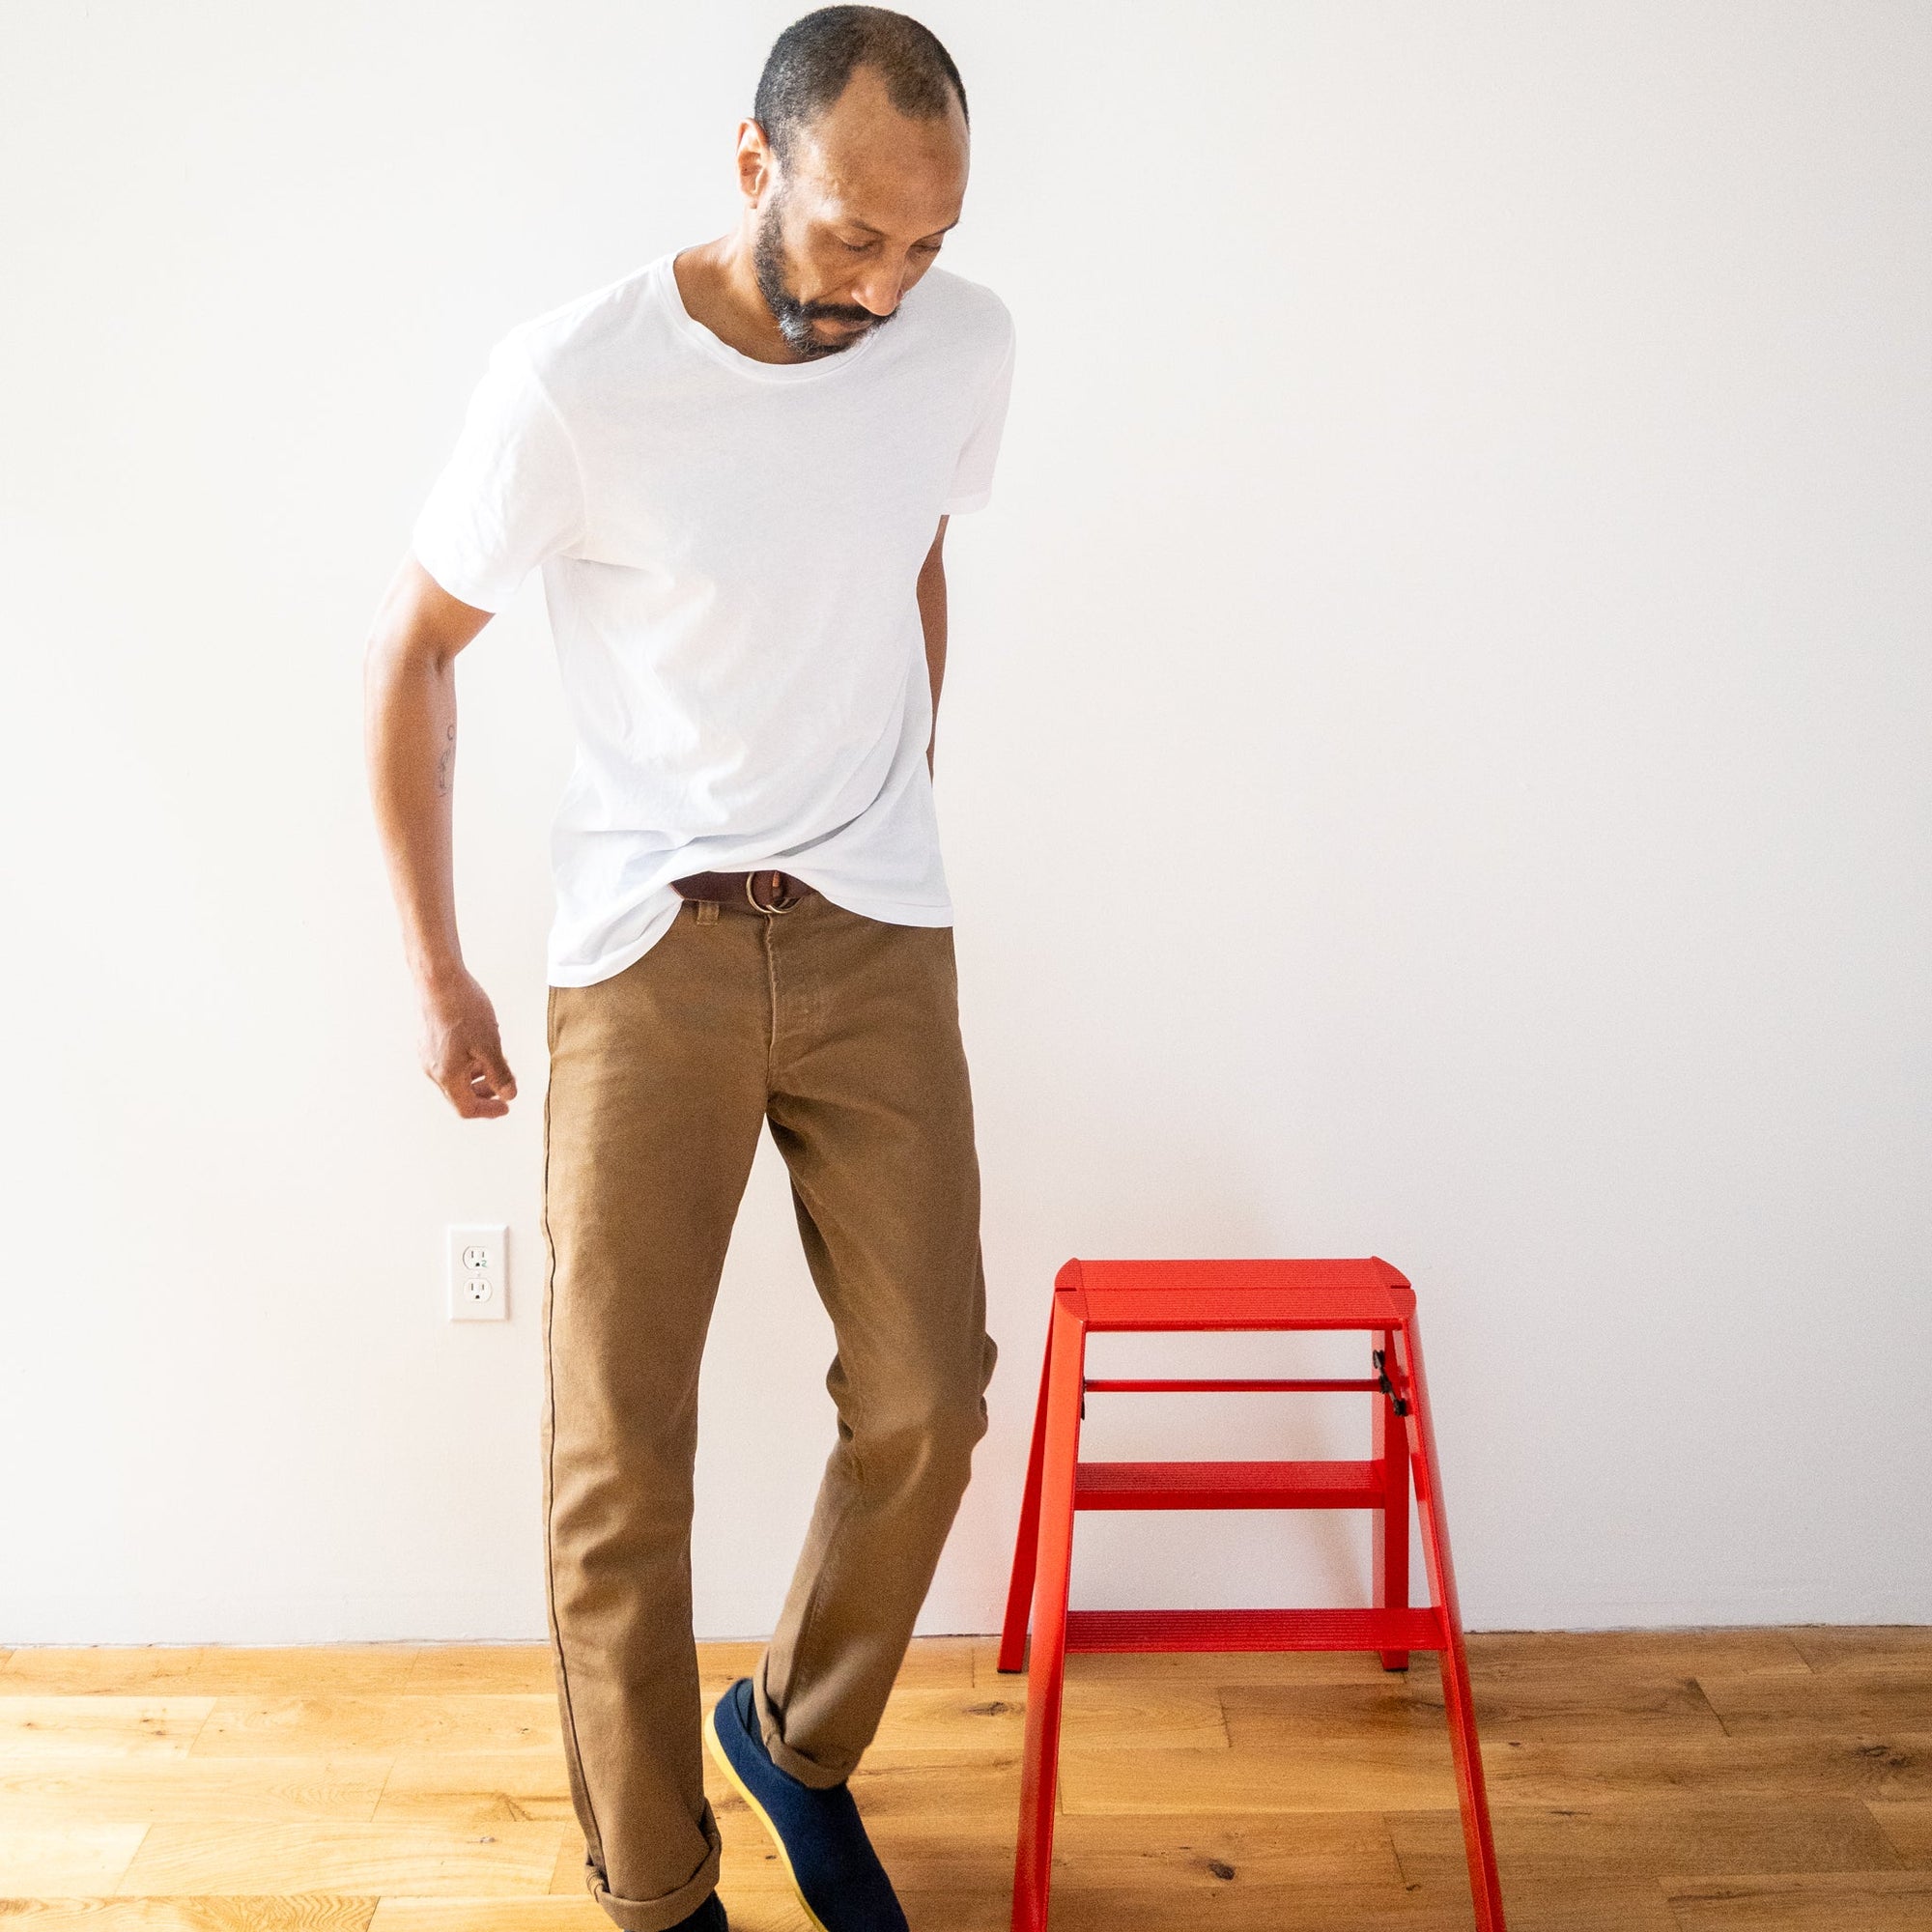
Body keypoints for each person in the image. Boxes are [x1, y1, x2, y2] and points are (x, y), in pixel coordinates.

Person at [361, 9, 1013, 1930]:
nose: (892, 284)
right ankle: (658, 1889)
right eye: (851, 236)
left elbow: (907, 543)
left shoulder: (961, 344)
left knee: (929, 1398)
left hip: (874, 932)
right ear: (752, 167)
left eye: (929, 242)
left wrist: (901, 771)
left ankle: (794, 1736)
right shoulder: (574, 381)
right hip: (645, 948)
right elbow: (411, 654)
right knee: (617, 1460)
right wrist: (437, 975)